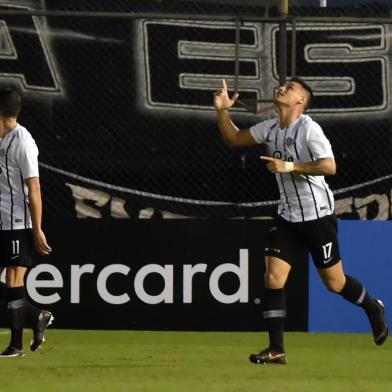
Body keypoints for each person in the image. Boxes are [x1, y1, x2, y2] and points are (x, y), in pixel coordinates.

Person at [214, 78, 388, 364]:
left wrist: (290, 166)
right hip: (287, 216)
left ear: (301, 101)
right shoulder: (270, 128)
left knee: (334, 283)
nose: (282, 88)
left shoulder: (309, 129)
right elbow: (234, 139)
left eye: (290, 88)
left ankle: (372, 307)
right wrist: (222, 111)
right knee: (273, 276)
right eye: (283, 86)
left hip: (317, 216)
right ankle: (276, 349)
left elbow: (329, 166)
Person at [0, 88, 53, 357]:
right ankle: (37, 315)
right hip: (0, 220)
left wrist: (37, 228)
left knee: (13, 278)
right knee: (11, 286)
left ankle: (16, 344)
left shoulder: (23, 142)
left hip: (16, 222)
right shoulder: (2, 138)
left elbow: (34, 187)